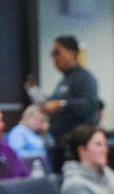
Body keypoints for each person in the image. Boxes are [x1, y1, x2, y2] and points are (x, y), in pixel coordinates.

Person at [39, 35, 100, 170]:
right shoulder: (64, 81)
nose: (54, 58)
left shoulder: (85, 78)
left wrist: (61, 104)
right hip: (60, 146)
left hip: (76, 149)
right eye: (52, 54)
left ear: (73, 53)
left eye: (57, 53)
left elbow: (89, 105)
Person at [59, 125, 114, 194]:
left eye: (105, 144)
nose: (105, 149)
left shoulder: (105, 171)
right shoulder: (73, 185)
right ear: (82, 150)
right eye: (98, 144)